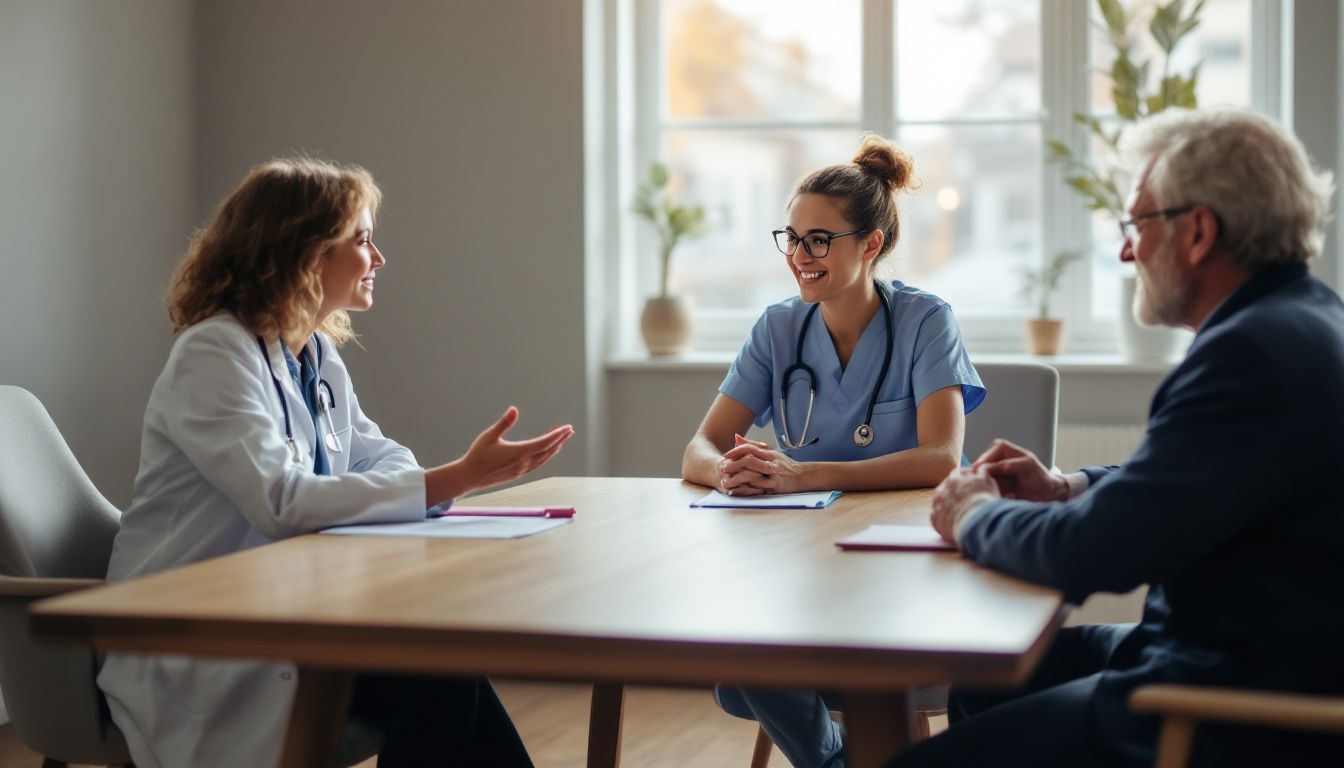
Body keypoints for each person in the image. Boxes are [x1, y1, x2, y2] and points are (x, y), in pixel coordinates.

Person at [898, 108, 1344, 767]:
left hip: (1223, 709)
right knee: (989, 678)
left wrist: (972, 516)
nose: (1126, 249)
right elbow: (1184, 484)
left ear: (1197, 231)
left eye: (1137, 222)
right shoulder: (1306, 318)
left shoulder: (1247, 354)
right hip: (1246, 655)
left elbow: (1091, 555)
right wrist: (1066, 486)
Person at [96, 157, 574, 768]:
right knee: (438, 681)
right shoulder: (214, 353)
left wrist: (437, 478)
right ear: (306, 251)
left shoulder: (312, 349)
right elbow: (281, 501)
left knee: (446, 673)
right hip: (199, 640)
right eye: (364, 241)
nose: (378, 259)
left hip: (283, 619)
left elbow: (380, 452)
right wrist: (456, 477)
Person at [683, 135, 985, 768]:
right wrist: (729, 469)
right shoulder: (778, 326)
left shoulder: (926, 321)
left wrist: (802, 474)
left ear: (870, 244)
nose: (799, 255)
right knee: (737, 640)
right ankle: (840, 760)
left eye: (818, 239)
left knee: (748, 658)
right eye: (791, 238)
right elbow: (699, 449)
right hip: (804, 560)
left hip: (904, 561)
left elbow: (940, 459)